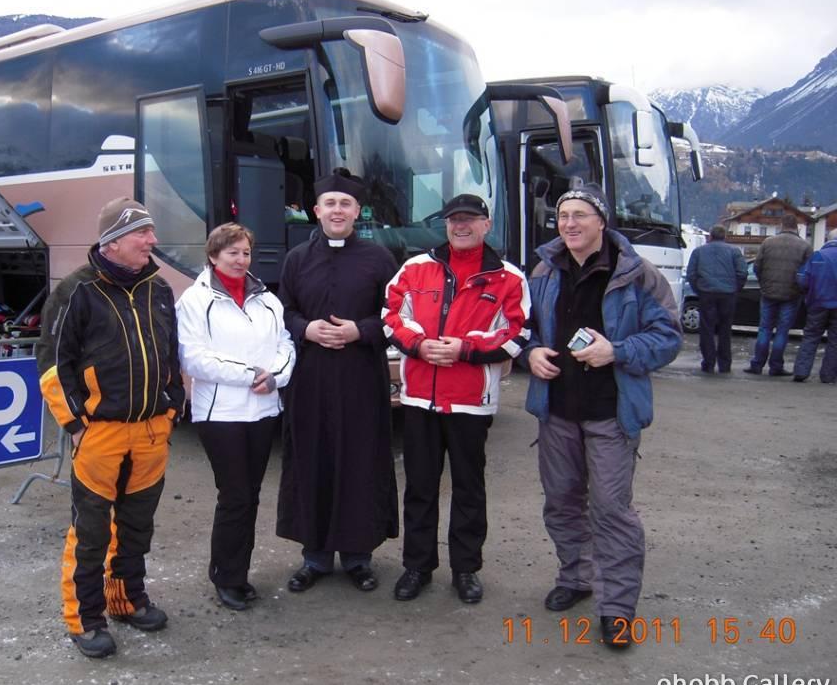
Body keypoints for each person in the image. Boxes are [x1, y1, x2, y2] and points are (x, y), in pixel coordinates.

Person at [522, 183, 681, 650]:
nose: (569, 223)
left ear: (601, 222)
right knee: (561, 502)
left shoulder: (638, 274)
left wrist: (618, 350)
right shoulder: (544, 271)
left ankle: (617, 609)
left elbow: (669, 336)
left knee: (612, 511)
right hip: (556, 410)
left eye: (580, 215)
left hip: (612, 412)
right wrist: (530, 353)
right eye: (563, 215)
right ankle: (576, 576)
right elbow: (521, 329)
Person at [38, 196, 184, 659]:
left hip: (150, 431)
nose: (152, 241)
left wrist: (171, 407)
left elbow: (171, 355)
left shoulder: (158, 289)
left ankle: (126, 599)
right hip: (99, 432)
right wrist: (75, 425)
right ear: (115, 240)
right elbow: (51, 363)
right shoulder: (76, 291)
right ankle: (85, 618)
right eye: (143, 233)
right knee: (92, 532)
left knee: (137, 526)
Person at [382, 194, 530, 604]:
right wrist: (418, 345)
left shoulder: (509, 277)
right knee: (420, 487)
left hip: (470, 401)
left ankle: (466, 570)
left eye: (469, 219)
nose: (460, 226)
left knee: (469, 488)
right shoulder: (415, 268)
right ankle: (417, 567)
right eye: (453, 220)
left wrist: (464, 349)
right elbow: (391, 315)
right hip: (419, 400)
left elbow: (517, 334)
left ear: (487, 224)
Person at [276, 168, 399, 594]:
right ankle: (314, 557)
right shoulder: (296, 260)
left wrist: (359, 331)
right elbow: (283, 313)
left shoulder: (379, 259)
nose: (337, 210)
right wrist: (305, 329)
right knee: (312, 461)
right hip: (310, 380)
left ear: (357, 211)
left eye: (345, 204)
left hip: (361, 379)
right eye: (330, 203)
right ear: (316, 211)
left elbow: (396, 317)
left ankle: (358, 557)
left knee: (359, 462)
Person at [175, 223, 295, 611]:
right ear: (213, 256)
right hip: (220, 414)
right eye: (232, 253)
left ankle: (238, 573)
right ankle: (226, 577)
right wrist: (251, 375)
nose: (241, 260)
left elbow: (286, 345)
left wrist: (276, 376)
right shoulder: (195, 301)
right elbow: (193, 357)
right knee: (235, 495)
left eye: (245, 253)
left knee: (251, 495)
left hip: (262, 409)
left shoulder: (267, 301)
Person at [743, 214, 811, 376]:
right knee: (782, 331)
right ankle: (776, 366)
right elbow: (809, 273)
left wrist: (764, 283)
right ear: (797, 227)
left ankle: (757, 364)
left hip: (768, 293)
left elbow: (757, 267)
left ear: (782, 225)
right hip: (791, 294)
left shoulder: (768, 243)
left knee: (764, 329)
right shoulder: (805, 246)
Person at [685, 224, 747, 374]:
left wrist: (698, 289)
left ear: (710, 236)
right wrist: (735, 288)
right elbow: (742, 273)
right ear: (724, 236)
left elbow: (691, 274)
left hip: (706, 292)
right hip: (728, 293)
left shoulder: (698, 252)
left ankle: (708, 362)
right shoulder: (734, 252)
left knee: (707, 329)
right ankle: (725, 364)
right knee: (725, 330)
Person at [792, 228, 837, 384]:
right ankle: (828, 376)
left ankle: (801, 372)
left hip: (817, 302)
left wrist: (808, 292)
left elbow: (803, 280)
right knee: (835, 342)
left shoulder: (818, 256)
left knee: (811, 336)